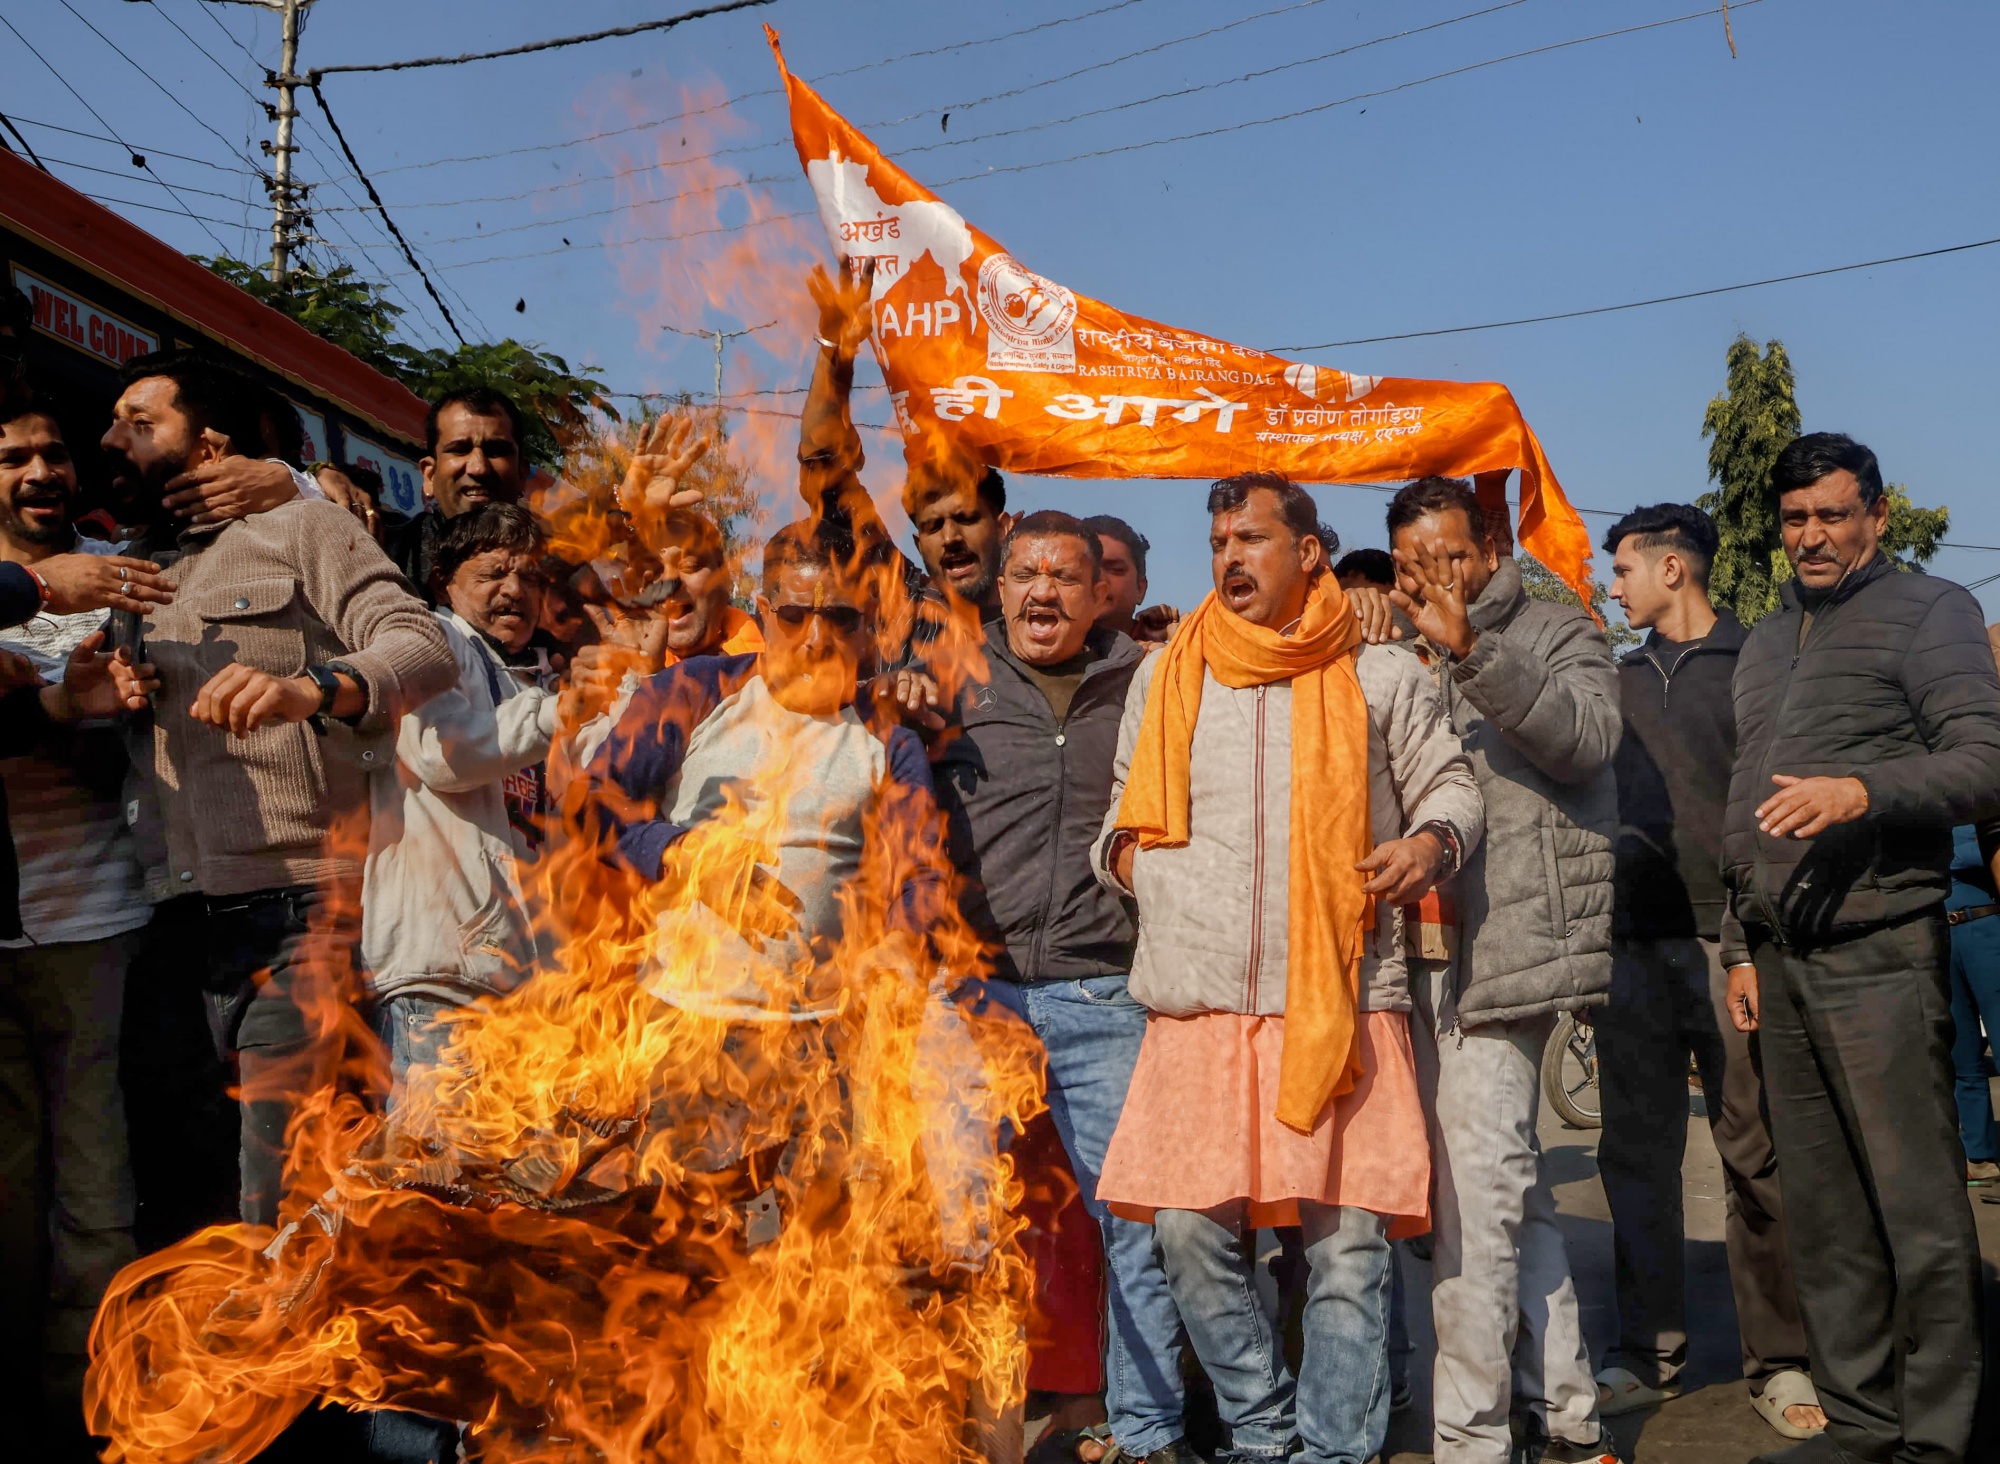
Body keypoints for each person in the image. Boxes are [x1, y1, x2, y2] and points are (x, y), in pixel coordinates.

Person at [1092, 474, 1482, 1464]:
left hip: (1344, 997)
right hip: (1200, 1004)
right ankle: (1262, 1432)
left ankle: (1333, 1450)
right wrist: (1153, 876)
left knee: (1347, 1250)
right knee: (1184, 1233)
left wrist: (1428, 845)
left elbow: (1451, 787)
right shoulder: (1167, 672)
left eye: (1251, 538)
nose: (1228, 556)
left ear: (1307, 552)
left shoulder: (1379, 672)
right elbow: (1115, 829)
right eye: (1217, 538)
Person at [100, 349, 456, 1233]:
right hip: (169, 919)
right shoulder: (124, 571)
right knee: (187, 1199)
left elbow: (421, 644)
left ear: (210, 446)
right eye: (113, 422)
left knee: (282, 1192)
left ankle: (306, 1367)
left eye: (139, 425)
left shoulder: (303, 530)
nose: (111, 440)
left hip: (297, 911)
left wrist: (316, 688)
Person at [1721, 434, 2000, 1464]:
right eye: (1794, 519)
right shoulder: (1764, 638)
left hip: (1880, 944)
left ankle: (1938, 1435)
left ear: (1875, 516)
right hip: (1781, 959)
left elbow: (1983, 759)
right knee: (1825, 1213)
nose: (1810, 536)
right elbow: (1741, 804)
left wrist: (1863, 792)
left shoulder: (1929, 611)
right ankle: (1862, 1421)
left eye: (1831, 515)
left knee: (1915, 1210)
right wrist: (1738, 943)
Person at [1350, 475, 1621, 1464]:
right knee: (1511, 1197)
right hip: (1405, 962)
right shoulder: (1386, 651)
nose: (1432, 580)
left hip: (1501, 957)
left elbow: (1587, 741)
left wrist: (1469, 649)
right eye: (1414, 565)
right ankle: (1569, 1417)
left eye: (1448, 559)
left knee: (1470, 1211)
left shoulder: (1553, 629)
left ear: (1490, 543)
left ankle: (1469, 1443)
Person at [908, 510, 1181, 1464]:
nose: (1043, 593)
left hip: (1102, 994)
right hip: (972, 990)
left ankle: (1146, 1432)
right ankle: (971, 1438)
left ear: (1098, 589)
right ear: (1000, 582)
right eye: (1025, 572)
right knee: (965, 1233)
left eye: (1064, 576)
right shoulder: (948, 674)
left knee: (1140, 1227)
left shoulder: (1146, 681)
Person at [580, 515, 941, 1174]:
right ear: (763, 611)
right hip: (687, 1028)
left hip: (820, 1040)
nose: (816, 637)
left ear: (869, 626)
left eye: (839, 617)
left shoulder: (888, 739)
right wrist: (678, 853)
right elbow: (593, 803)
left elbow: (916, 880)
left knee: (812, 1258)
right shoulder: (693, 692)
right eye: (796, 615)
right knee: (687, 1244)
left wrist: (896, 960)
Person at [1594, 504, 1820, 1442]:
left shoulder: (1754, 667)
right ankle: (1647, 1351)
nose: (1615, 586)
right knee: (1634, 1155)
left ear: (1674, 569)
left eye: (1625, 571)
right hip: (1626, 945)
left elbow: (1772, 812)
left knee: (1755, 1153)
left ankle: (1782, 1359)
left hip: (1726, 943)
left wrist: (1749, 939)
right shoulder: (1610, 682)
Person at [0, 395, 182, 1461]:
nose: (38, 474)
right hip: (2, 937)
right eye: (13, 457)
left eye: (52, 454)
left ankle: (91, 1407)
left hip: (97, 929)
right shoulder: (22, 589)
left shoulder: (117, 574)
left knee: (96, 1189)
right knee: (14, 1193)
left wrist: (105, 703)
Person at [363, 504, 561, 1116]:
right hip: (440, 979)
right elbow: (440, 753)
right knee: (435, 1185)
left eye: (530, 577)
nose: (515, 590)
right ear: (445, 579)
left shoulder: (532, 678)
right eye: (494, 572)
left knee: (500, 1198)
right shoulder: (434, 641)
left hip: (515, 986)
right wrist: (562, 711)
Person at [382, 387, 531, 592]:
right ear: (430, 475)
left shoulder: (555, 569)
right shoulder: (384, 552)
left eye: (495, 451)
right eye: (459, 450)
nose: (478, 468)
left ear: (521, 474)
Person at [1943, 824, 2000, 1188]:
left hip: (1986, 926)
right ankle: (1979, 1156)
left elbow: (1973, 854)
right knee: (1961, 1052)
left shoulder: (1979, 802)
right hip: (1940, 936)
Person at [1083, 514, 1178, 644]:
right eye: (1088, 568)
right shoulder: (1047, 656)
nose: (1100, 579)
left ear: (1140, 588)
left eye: (1115, 569)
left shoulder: (1166, 658)